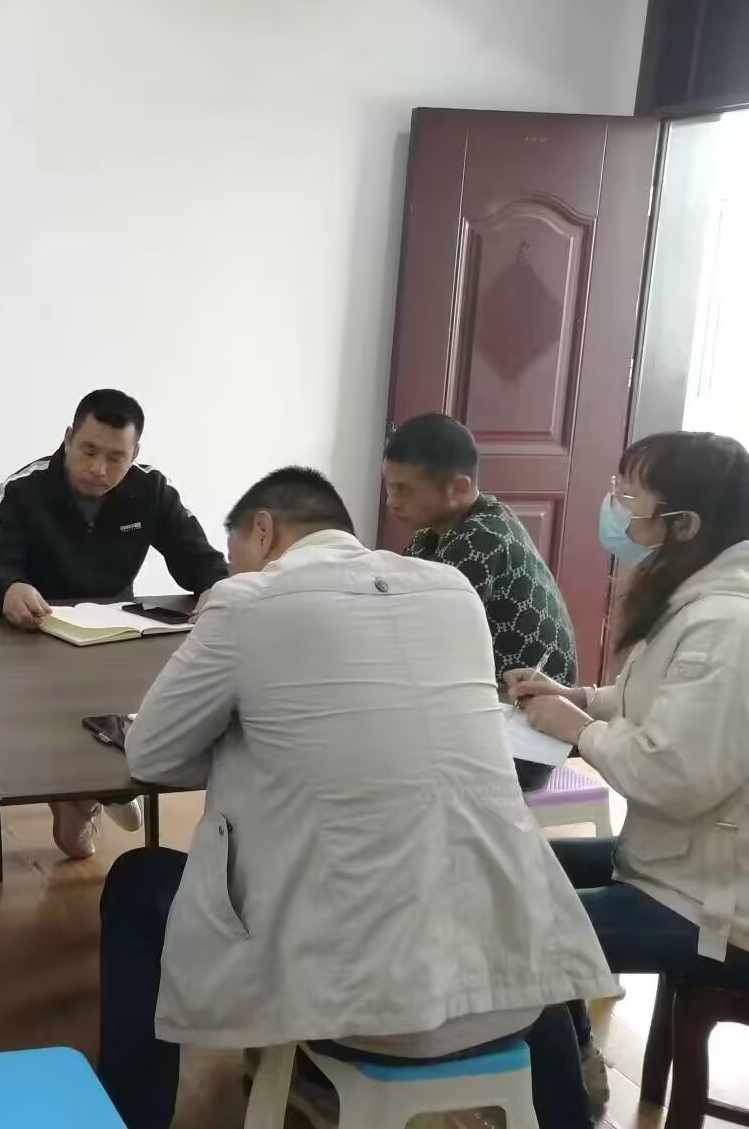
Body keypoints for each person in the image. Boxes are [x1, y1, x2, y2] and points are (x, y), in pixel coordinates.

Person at [97, 466, 613, 1129]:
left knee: (138, 882)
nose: (233, 569)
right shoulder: (450, 589)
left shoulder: (246, 602)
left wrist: (247, 741)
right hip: (516, 981)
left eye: (236, 554)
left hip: (353, 1000)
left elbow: (152, 754)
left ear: (263, 530)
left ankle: (126, 1118)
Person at [511, 431, 749, 1124]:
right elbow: (658, 701)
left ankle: (565, 1109)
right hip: (679, 865)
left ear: (684, 524)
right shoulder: (701, 598)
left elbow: (673, 775)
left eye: (629, 496)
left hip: (713, 905)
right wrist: (580, 699)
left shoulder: (728, 624)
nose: (615, 508)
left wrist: (576, 730)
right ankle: (578, 1055)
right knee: (514, 868)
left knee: (516, 933)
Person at [0, 389, 228, 860]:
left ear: (135, 453)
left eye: (116, 458)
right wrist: (10, 588)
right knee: (73, 704)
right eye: (88, 451)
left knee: (168, 690)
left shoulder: (151, 490)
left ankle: (94, 789)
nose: (99, 469)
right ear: (68, 438)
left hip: (115, 638)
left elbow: (204, 562)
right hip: (36, 640)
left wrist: (217, 589)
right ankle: (97, 788)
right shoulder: (25, 489)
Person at [385, 413, 578, 791]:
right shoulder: (433, 535)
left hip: (527, 740)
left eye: (404, 490)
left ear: (457, 488)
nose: (391, 502)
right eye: (389, 487)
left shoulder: (482, 538)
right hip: (492, 719)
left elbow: (414, 637)